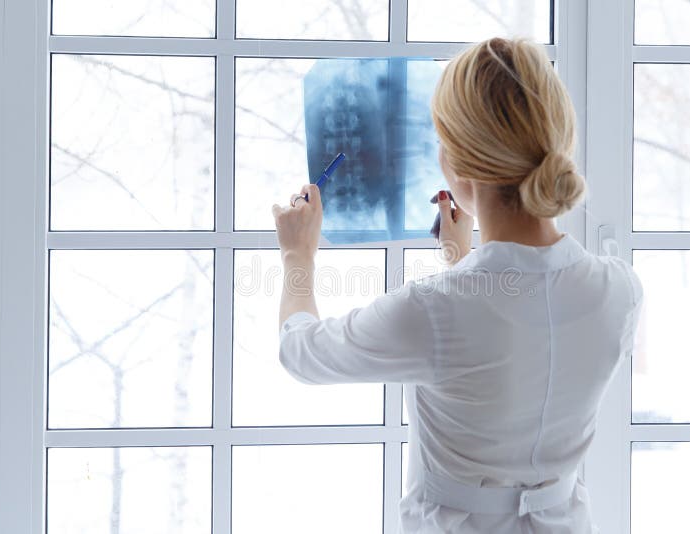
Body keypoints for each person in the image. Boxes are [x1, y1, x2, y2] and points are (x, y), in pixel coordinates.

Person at [271, 37, 643, 534]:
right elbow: (518, 340)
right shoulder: (620, 292)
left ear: (456, 165)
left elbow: (302, 352)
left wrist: (298, 255)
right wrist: (462, 257)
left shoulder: (432, 310)